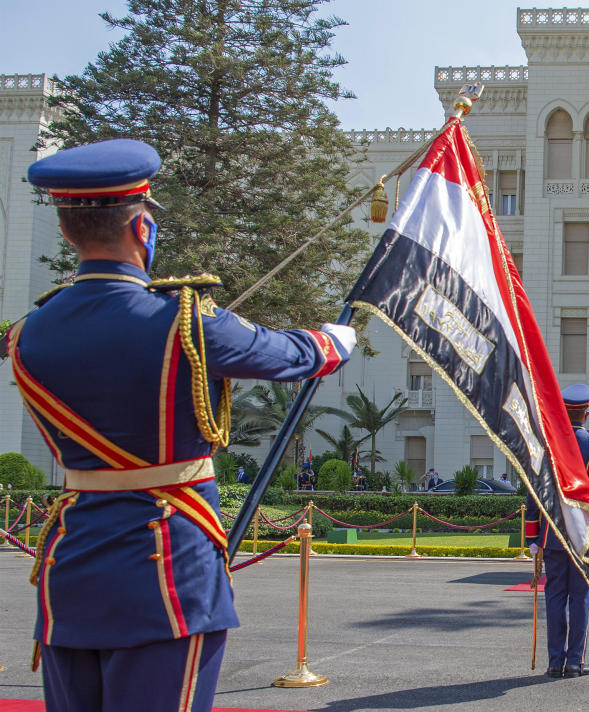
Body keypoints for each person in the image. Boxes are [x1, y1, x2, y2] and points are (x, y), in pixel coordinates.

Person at [13, 139, 357, 712]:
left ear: (70, 230)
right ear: (142, 229)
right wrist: (337, 338)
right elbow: (295, 355)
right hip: (165, 568)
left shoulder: (27, 334)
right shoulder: (185, 323)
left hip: (69, 571)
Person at [525, 384, 589, 679]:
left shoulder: (547, 443)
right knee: (580, 597)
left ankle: (554, 662)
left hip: (551, 533)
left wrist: (532, 536)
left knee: (555, 597)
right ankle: (575, 661)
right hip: (582, 534)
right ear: (587, 413)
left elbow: (535, 490)